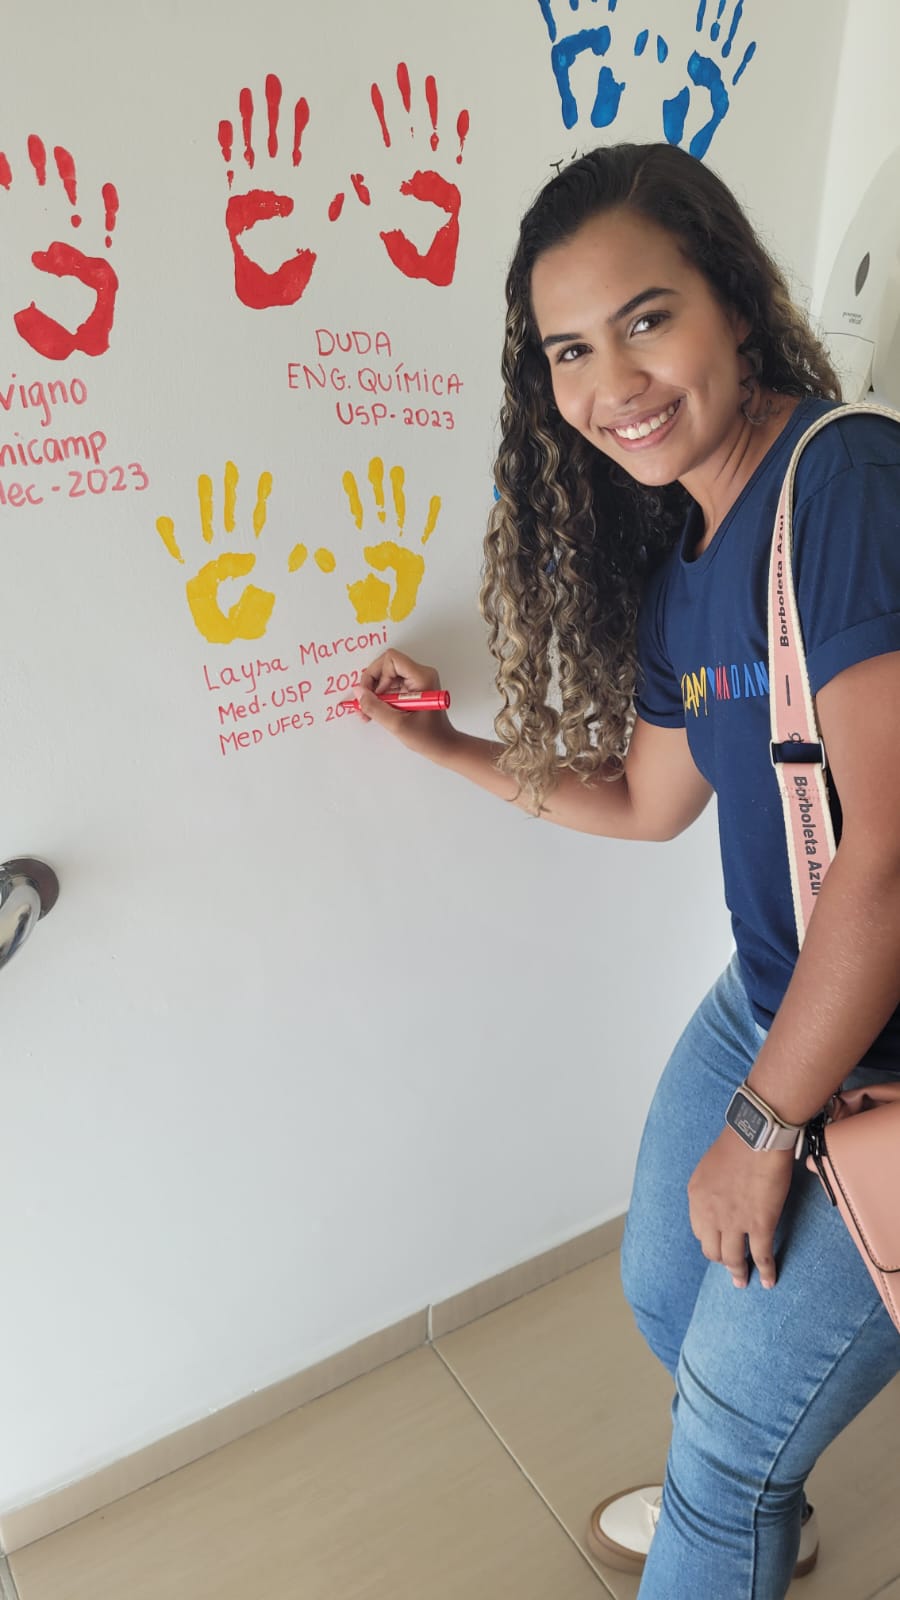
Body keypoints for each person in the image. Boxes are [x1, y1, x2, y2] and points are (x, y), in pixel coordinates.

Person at [355, 143, 900, 1598]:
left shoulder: (843, 482)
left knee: (721, 1448)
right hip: (777, 992)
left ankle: (737, 1503)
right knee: (667, 1286)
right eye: (571, 351)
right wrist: (448, 748)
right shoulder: (692, 562)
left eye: (647, 319)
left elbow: (893, 854)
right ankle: (759, 1508)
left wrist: (767, 1126)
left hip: (881, 1039)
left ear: (734, 302)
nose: (615, 383)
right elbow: (651, 801)